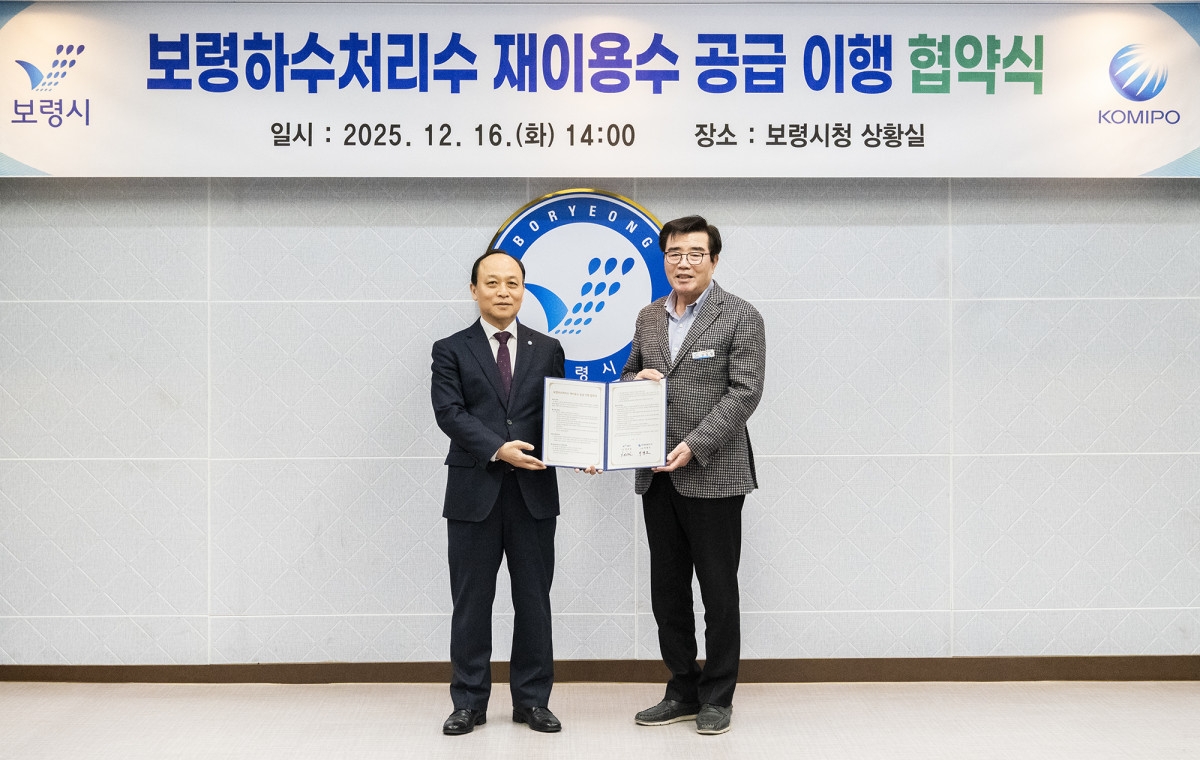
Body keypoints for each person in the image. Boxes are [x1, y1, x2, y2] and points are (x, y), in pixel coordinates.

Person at [622, 215, 766, 735]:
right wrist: (636, 380)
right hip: (656, 474)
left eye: (695, 254)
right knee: (667, 591)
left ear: (714, 260)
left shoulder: (741, 315)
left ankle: (718, 696)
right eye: (674, 253)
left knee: (718, 592)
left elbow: (745, 392)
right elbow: (629, 373)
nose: (683, 263)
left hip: (714, 473)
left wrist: (694, 444)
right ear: (664, 259)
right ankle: (682, 687)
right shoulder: (649, 316)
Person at [430, 249, 565, 735]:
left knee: (534, 602)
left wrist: (584, 448)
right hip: (474, 492)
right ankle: (468, 702)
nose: (503, 291)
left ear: (524, 290)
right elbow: (449, 412)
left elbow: (560, 414)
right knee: (471, 603)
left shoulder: (547, 348)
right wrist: (497, 448)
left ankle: (532, 701)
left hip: (534, 493)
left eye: (512, 283)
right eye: (492, 283)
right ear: (474, 290)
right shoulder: (450, 349)